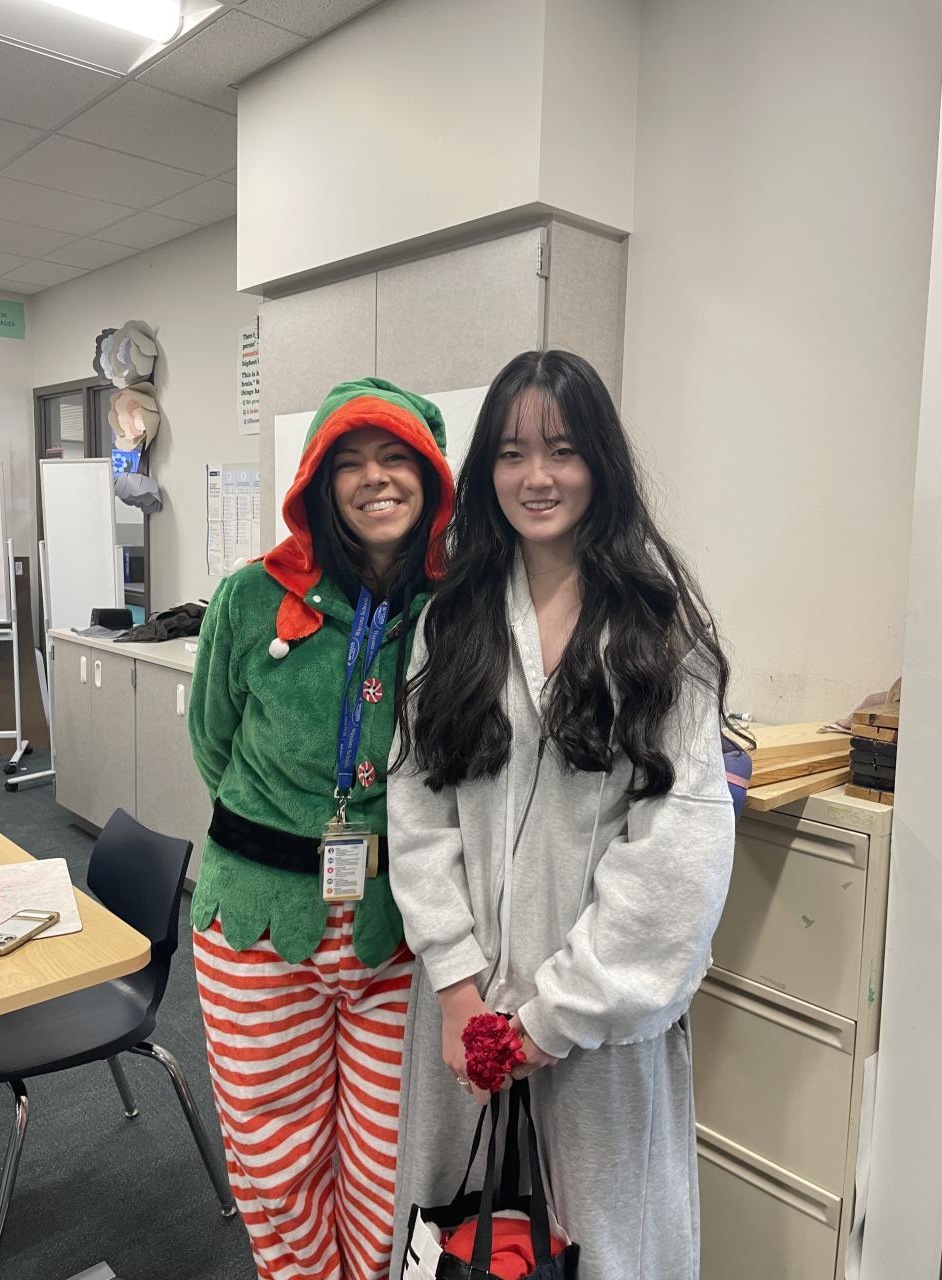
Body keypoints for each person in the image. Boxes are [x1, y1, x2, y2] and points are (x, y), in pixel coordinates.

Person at [387, 350, 737, 1280]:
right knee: (457, 1240)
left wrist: (551, 1020)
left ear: (601, 464)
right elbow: (417, 806)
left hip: (596, 1032)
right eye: (512, 453)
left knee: (601, 1248)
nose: (536, 476)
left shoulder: (662, 631)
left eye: (563, 450)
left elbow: (677, 857)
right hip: (465, 1020)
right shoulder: (452, 620)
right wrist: (459, 988)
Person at [187, 377, 454, 1280]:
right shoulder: (249, 598)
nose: (375, 478)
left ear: (431, 478)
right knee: (275, 1151)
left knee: (392, 1162)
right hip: (256, 919)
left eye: (396, 458)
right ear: (318, 482)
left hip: (399, 928)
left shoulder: (458, 609)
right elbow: (213, 742)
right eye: (351, 463)